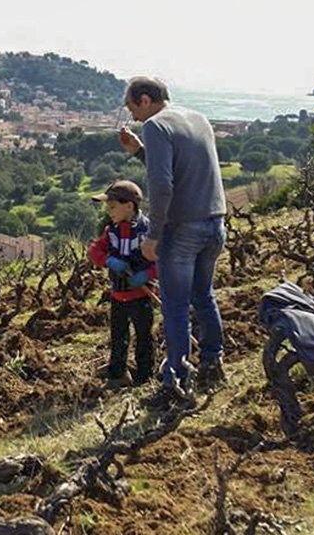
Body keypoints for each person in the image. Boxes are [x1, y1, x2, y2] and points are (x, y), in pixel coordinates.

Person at [117, 77, 227, 403]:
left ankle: (175, 382)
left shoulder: (156, 126)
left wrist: (153, 235)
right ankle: (212, 364)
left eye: (132, 106)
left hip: (183, 229)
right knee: (203, 297)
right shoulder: (198, 119)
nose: (132, 115)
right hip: (215, 222)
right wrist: (139, 152)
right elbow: (184, 168)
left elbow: (163, 187)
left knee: (176, 306)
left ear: (146, 99)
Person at [87, 180, 157, 388]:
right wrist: (108, 260)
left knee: (144, 336)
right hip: (118, 296)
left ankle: (145, 376)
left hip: (141, 296)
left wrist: (146, 275)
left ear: (129, 206)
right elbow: (94, 251)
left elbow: (162, 259)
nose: (109, 212)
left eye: (112, 207)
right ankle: (118, 373)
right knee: (118, 336)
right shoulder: (111, 231)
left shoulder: (148, 231)